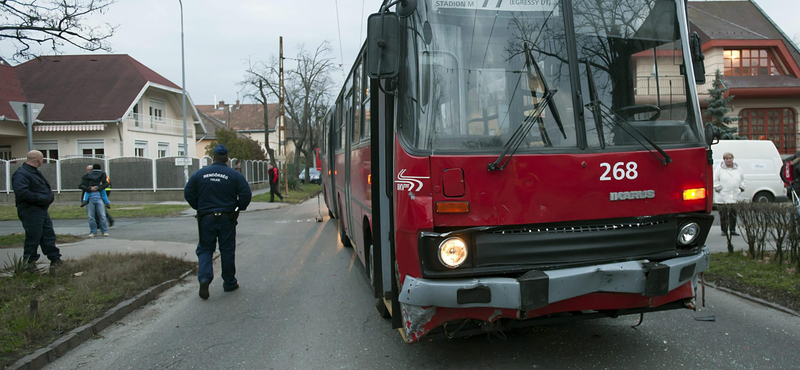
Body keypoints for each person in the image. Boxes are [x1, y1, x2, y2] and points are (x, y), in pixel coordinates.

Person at [184, 144, 252, 299]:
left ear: (212, 158)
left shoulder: (200, 174)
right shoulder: (234, 175)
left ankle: (205, 278)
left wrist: (199, 206)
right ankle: (229, 282)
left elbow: (188, 192)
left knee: (205, 249)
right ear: (227, 159)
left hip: (206, 218)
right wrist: (238, 208)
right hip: (227, 218)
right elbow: (246, 195)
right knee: (227, 250)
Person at [11, 150, 63, 268]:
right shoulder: (22, 174)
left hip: (41, 210)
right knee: (33, 237)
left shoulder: (33, 172)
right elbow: (22, 193)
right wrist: (42, 198)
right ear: (39, 159)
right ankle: (29, 264)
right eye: (42, 159)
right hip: (30, 210)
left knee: (48, 235)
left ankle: (55, 259)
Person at [714, 152, 746, 236]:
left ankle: (732, 230)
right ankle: (724, 230)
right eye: (727, 158)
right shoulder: (719, 169)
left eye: (730, 158)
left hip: (735, 195)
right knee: (723, 214)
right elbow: (715, 179)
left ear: (733, 159)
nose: (729, 160)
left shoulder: (738, 168)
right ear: (724, 160)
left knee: (733, 214)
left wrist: (741, 188)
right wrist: (719, 189)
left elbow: (743, 179)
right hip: (723, 195)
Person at [79, 164, 110, 237]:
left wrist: (98, 187)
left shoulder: (101, 176)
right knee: (91, 216)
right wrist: (89, 188)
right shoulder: (87, 177)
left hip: (99, 198)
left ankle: (104, 231)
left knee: (102, 216)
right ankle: (93, 232)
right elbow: (81, 185)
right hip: (90, 199)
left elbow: (106, 184)